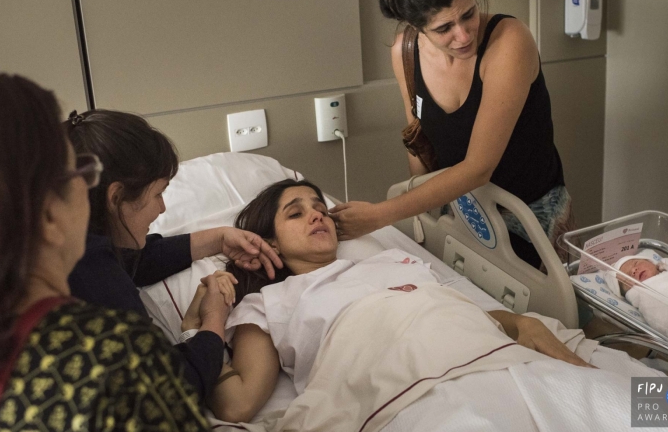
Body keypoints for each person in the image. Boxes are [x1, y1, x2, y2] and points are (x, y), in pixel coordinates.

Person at [182, 179, 594, 426]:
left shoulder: (392, 258)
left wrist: (519, 324)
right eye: (296, 213)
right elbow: (237, 404)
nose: (316, 216)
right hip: (410, 390)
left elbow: (446, 309)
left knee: (634, 408)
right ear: (268, 241)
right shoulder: (269, 302)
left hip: (488, 353)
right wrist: (203, 320)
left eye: (319, 208)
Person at [0, 73, 216, 430]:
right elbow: (181, 389)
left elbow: (129, 262)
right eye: (80, 176)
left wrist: (216, 239)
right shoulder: (111, 351)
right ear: (49, 215)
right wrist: (210, 327)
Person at [330, 0, 573, 269]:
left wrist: (380, 214)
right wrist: (424, 219)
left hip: (530, 218)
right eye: (444, 28)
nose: (463, 35)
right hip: (461, 214)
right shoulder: (405, 52)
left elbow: (477, 168)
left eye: (469, 14)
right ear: (417, 27)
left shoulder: (509, 41)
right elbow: (418, 142)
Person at [66, 109, 284, 402]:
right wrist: (211, 321)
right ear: (115, 198)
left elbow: (130, 261)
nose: (162, 208)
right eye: (157, 194)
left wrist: (219, 238)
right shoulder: (88, 273)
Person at [608, 249, 668, 346]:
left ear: (651, 262)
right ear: (629, 293)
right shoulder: (647, 299)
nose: (634, 270)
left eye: (636, 263)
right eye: (627, 276)